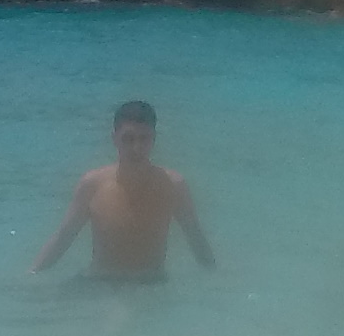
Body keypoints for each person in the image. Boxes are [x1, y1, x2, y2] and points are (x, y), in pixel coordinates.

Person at [35, 100, 216, 281]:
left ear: (154, 138)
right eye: (128, 139)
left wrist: (218, 284)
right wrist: (32, 275)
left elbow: (197, 240)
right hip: (101, 283)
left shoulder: (174, 185)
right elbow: (63, 238)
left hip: (151, 285)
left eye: (144, 138)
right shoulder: (92, 184)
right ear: (114, 138)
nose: (136, 148)